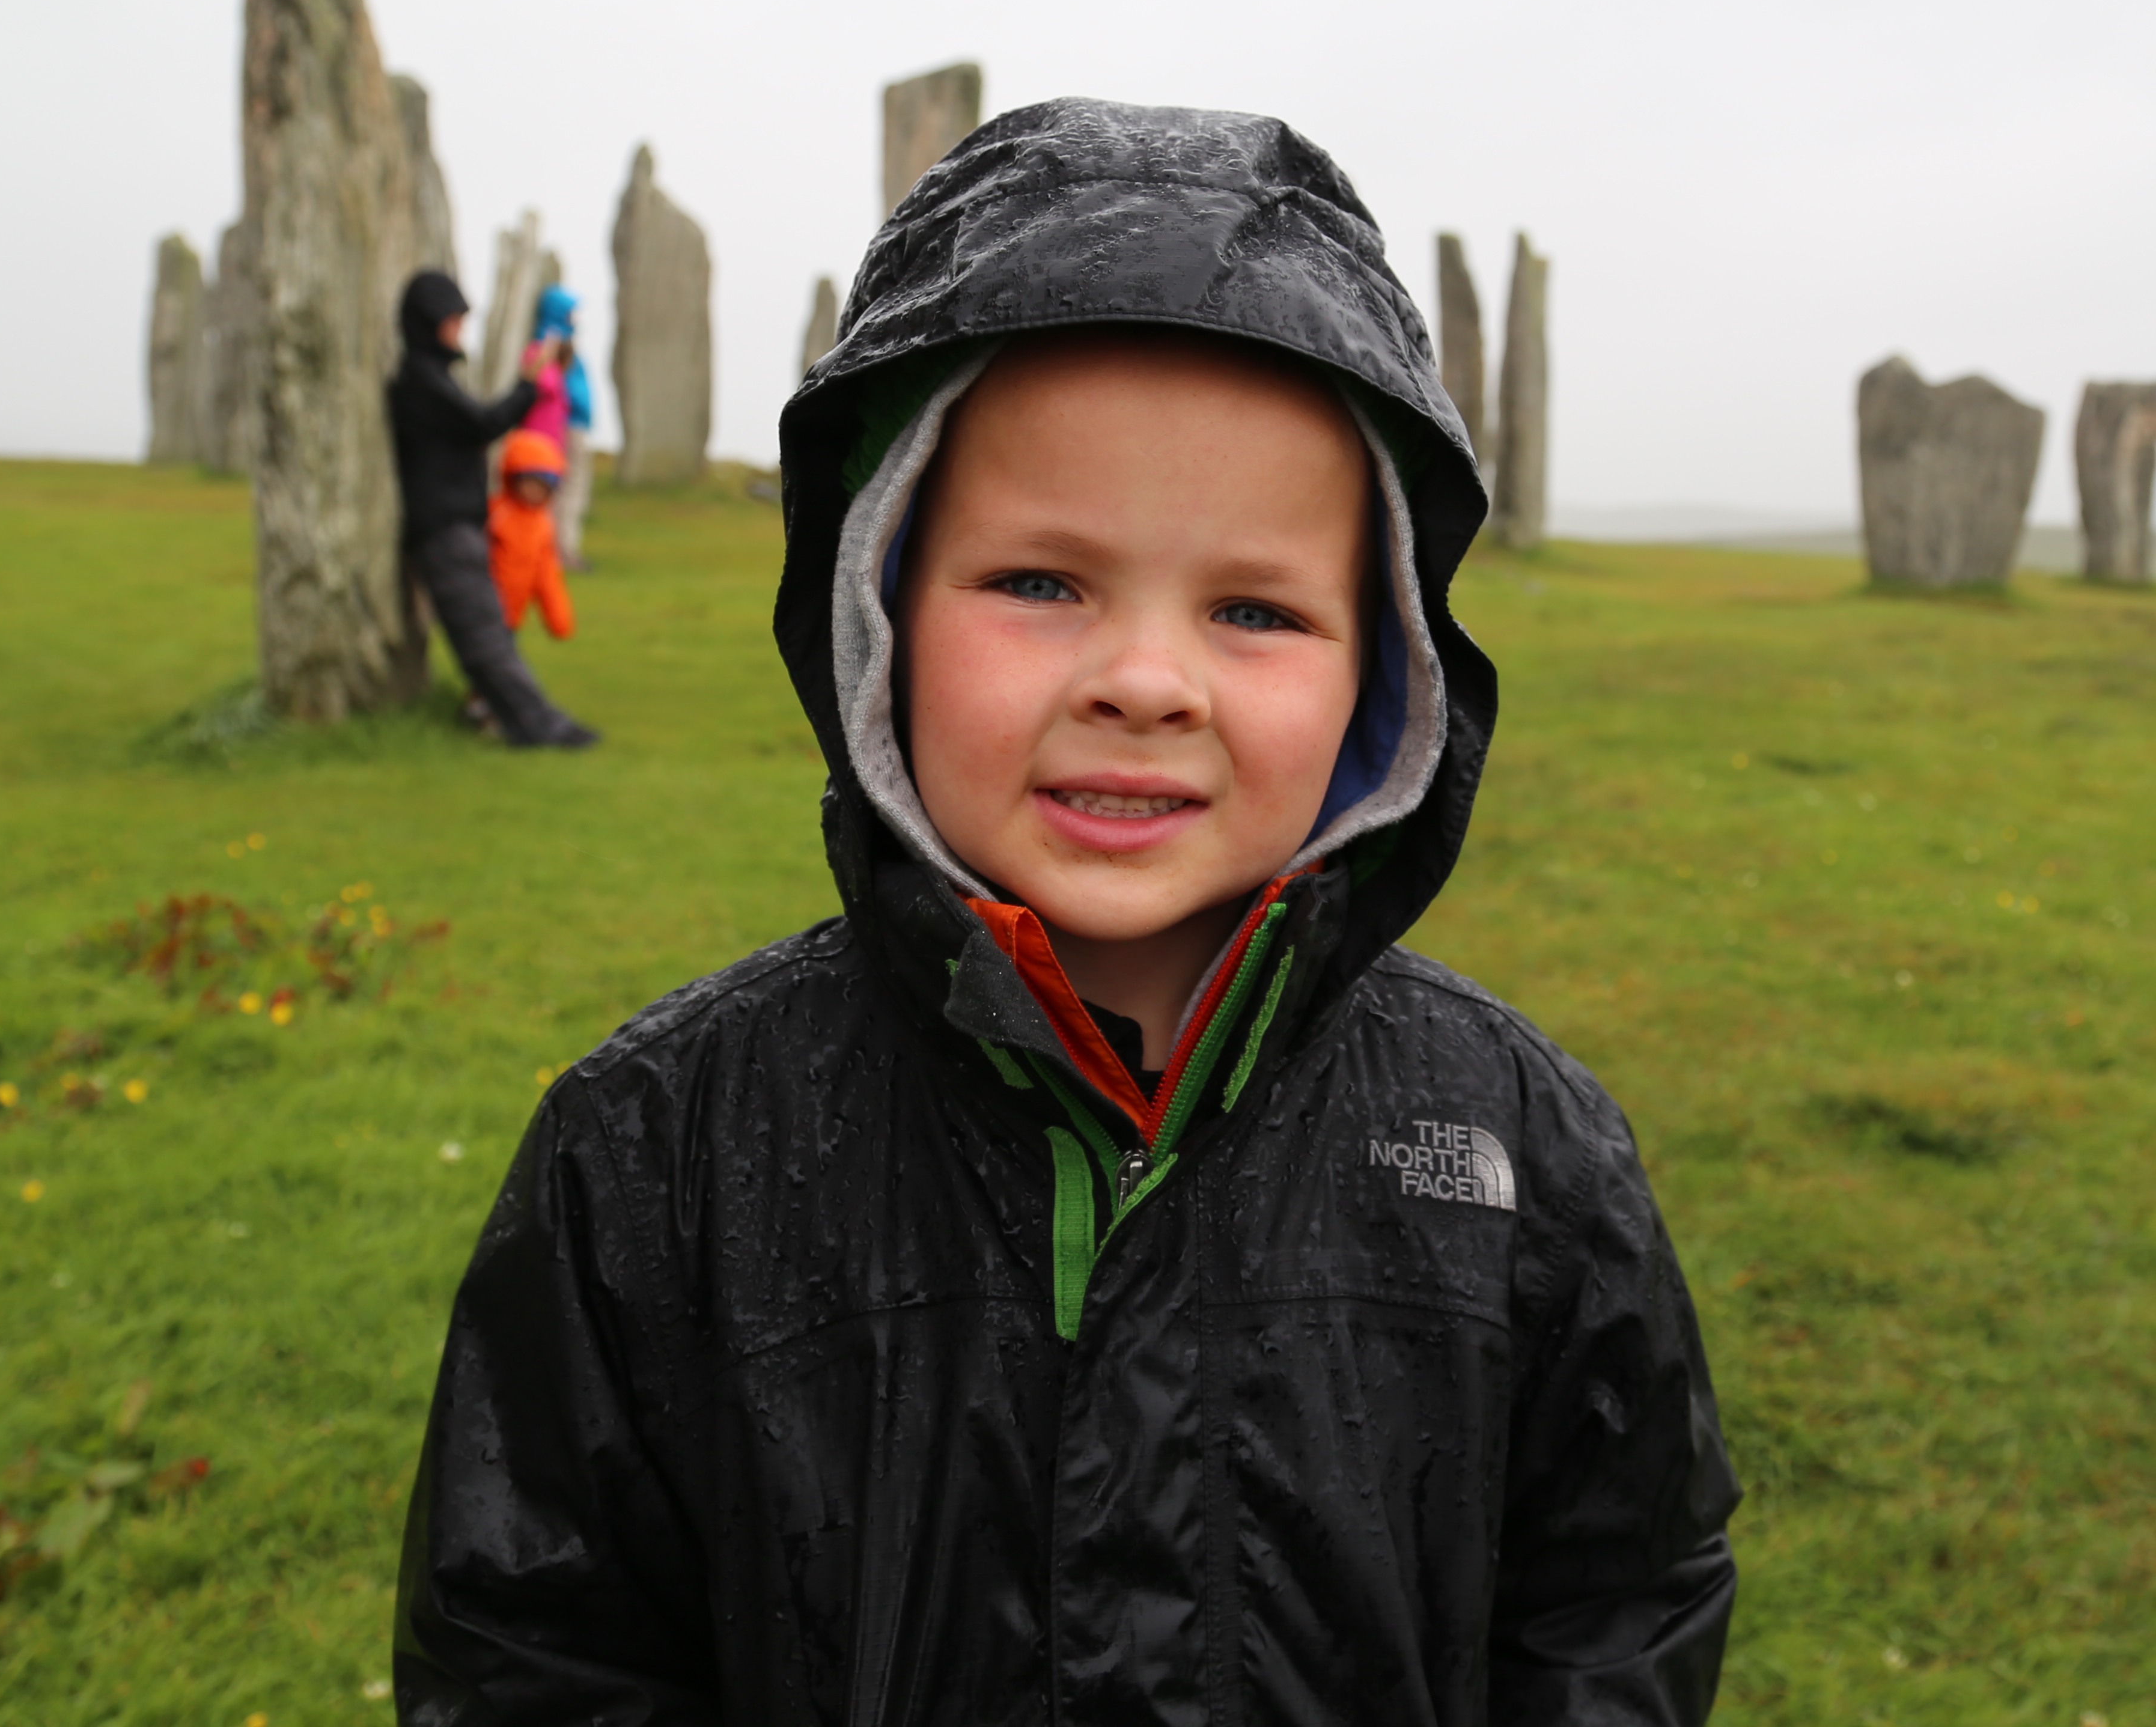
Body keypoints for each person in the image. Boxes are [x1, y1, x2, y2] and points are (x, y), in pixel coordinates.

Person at [394, 101, 1734, 1722]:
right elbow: (534, 1647)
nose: (1146, 683)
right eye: (1041, 583)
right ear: (876, 601)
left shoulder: (1521, 1151)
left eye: (1256, 609)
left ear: (1389, 672)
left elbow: (1618, 1588)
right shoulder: (657, 1156)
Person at [385, 270, 598, 751]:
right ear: (429, 321)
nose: (460, 327)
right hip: (445, 528)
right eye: (453, 318)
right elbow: (484, 424)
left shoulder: (429, 375)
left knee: (489, 636)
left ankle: (531, 725)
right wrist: (528, 384)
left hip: (454, 524)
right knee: (486, 639)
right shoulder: (421, 379)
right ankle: (541, 729)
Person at [527, 284, 597, 570]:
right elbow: (548, 386)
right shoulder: (550, 346)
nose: (575, 318)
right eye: (571, 312)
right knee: (565, 490)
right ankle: (561, 551)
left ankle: (562, 548)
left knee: (568, 490)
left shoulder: (561, 344)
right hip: (563, 428)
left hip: (570, 424)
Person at [487, 430, 573, 641]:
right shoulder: (495, 513)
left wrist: (558, 619)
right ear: (513, 477)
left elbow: (546, 574)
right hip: (483, 609)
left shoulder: (543, 525)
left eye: (544, 486)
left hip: (513, 616)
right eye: (530, 482)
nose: (536, 491)